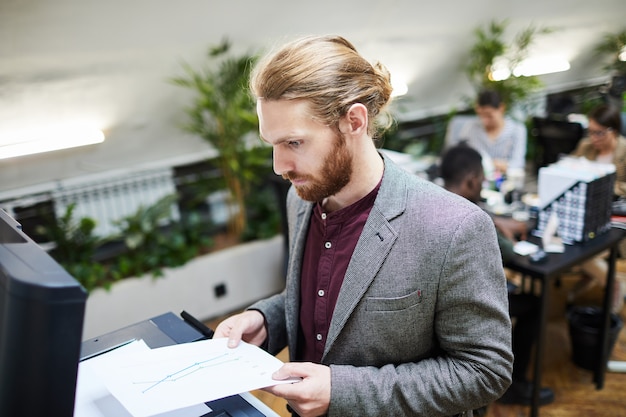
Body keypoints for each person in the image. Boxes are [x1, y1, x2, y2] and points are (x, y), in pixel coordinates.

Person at [214, 35, 513, 417]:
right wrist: (266, 320)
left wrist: (342, 391)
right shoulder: (301, 198)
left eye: (293, 142)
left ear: (354, 121)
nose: (279, 166)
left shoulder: (454, 227)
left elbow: (485, 371)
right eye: (271, 144)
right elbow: (326, 297)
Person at [439, 143, 555, 407]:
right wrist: (493, 221)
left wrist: (494, 218)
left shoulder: (432, 198)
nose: (482, 185)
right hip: (463, 309)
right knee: (534, 305)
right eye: (481, 179)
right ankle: (517, 385)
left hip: (437, 303)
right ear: (471, 181)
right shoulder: (473, 220)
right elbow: (512, 254)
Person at [567, 104, 626, 313]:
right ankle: (600, 277)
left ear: (614, 131)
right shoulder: (585, 147)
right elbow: (567, 169)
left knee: (583, 248)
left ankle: (611, 282)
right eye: (591, 131)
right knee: (570, 242)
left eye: (599, 133)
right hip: (586, 214)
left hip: (615, 218)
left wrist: (606, 184)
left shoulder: (624, 151)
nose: (594, 138)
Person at [444, 89, 527, 176]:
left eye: (489, 115)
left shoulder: (516, 130)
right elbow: (459, 153)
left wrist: (488, 164)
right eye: (481, 115)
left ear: (501, 108)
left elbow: (518, 164)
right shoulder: (471, 127)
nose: (485, 121)